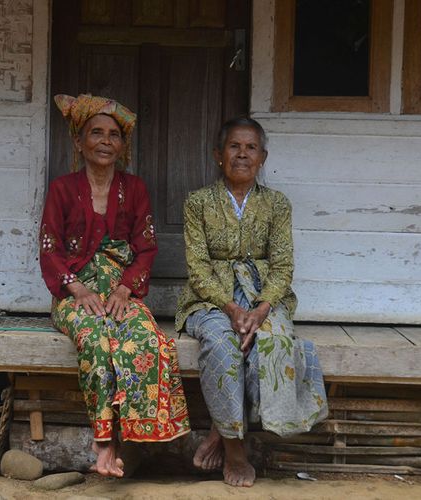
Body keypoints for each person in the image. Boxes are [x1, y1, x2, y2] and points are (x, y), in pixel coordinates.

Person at [40, 94, 190, 477]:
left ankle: (130, 440)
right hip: (77, 293)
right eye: (96, 133)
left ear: (122, 146)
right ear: (79, 142)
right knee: (96, 340)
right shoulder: (61, 189)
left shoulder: (135, 189)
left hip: (122, 291)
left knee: (149, 340)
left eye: (114, 135)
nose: (106, 141)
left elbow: (146, 248)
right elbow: (49, 248)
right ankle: (104, 444)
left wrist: (125, 290)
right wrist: (78, 290)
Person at [176, 117, 328, 487]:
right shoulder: (198, 202)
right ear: (218, 154)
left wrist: (261, 310)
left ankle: (218, 427)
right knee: (224, 343)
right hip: (210, 300)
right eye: (234, 146)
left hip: (264, 299)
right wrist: (230, 308)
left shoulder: (277, 204)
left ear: (262, 157)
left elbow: (282, 265)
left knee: (272, 342)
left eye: (251, 148)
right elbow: (197, 267)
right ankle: (234, 450)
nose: (242, 154)